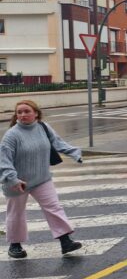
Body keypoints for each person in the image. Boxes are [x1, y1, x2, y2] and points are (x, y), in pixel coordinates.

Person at [0, 100, 84, 259]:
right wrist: (13, 179)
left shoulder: (43, 127)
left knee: (54, 207)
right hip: (18, 183)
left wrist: (74, 152)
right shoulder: (12, 135)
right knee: (16, 214)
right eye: (19, 112)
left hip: (41, 179)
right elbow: (4, 161)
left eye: (26, 111)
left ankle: (65, 241)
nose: (23, 115)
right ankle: (15, 245)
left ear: (36, 113)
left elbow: (57, 142)